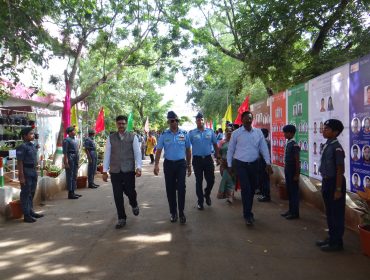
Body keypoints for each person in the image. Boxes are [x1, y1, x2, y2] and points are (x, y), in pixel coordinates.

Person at [227, 111, 272, 226]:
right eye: (246, 118)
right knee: (246, 189)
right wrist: (229, 165)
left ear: (252, 120)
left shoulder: (258, 133)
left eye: (250, 118)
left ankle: (248, 210)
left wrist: (268, 163)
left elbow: (263, 148)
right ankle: (247, 214)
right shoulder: (236, 133)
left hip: (254, 165)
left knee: (252, 190)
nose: (248, 120)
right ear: (242, 120)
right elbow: (230, 149)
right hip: (241, 165)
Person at [102, 115, 142, 229]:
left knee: (130, 191)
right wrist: (105, 171)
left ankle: (133, 203)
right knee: (117, 195)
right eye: (119, 123)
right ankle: (121, 218)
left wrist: (139, 167)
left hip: (128, 170)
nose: (121, 125)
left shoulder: (133, 137)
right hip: (115, 171)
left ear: (126, 124)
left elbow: (137, 153)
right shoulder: (110, 138)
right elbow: (107, 155)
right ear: (116, 124)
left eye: (123, 123)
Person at [154, 111, 192, 224]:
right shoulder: (164, 135)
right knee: (170, 189)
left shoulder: (184, 134)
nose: (173, 122)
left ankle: (181, 213)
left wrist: (189, 165)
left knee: (181, 188)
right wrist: (156, 164)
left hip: (181, 164)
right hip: (169, 164)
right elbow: (159, 150)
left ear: (177, 121)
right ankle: (173, 213)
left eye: (174, 120)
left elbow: (188, 150)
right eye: (170, 121)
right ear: (168, 121)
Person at [316, 119, 346, 252]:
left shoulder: (336, 147)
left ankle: (337, 242)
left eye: (327, 129)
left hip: (335, 182)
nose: (324, 130)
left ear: (335, 132)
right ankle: (332, 237)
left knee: (336, 213)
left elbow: (340, 169)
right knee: (329, 212)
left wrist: (338, 189)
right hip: (327, 181)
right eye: (324, 128)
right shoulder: (328, 144)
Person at [189, 112, 219, 210]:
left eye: (201, 119)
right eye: (198, 119)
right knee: (199, 181)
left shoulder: (210, 132)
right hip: (197, 160)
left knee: (211, 180)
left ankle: (207, 193)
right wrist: (187, 161)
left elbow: (215, 144)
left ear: (204, 120)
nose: (200, 121)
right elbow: (187, 147)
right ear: (196, 121)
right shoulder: (192, 133)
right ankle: (200, 201)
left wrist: (217, 156)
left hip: (208, 159)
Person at [16, 127, 44, 223]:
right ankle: (26, 215)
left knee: (32, 192)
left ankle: (31, 211)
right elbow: (19, 163)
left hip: (33, 171)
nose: (33, 135)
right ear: (24, 136)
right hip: (26, 171)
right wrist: (21, 176)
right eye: (31, 134)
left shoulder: (32, 145)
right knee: (25, 193)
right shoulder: (21, 147)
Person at [281, 125, 301, 220]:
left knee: (294, 192)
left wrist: (297, 174)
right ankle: (290, 210)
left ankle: (295, 212)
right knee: (289, 190)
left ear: (291, 133)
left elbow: (297, 161)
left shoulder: (294, 145)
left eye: (286, 132)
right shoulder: (288, 143)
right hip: (288, 170)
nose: (284, 134)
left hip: (293, 170)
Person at [217, 127, 235, 202]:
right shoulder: (222, 142)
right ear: (225, 132)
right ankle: (228, 195)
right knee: (226, 177)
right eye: (227, 131)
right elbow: (218, 153)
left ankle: (230, 196)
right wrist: (220, 160)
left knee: (232, 178)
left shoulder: (235, 142)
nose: (229, 132)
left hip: (233, 163)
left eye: (230, 131)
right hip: (224, 163)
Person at [63, 126, 81, 200]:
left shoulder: (75, 139)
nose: (75, 131)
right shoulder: (66, 140)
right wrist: (66, 162)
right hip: (70, 157)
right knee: (70, 176)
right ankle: (70, 193)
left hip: (75, 157)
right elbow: (65, 152)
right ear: (70, 132)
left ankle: (73, 191)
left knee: (74, 175)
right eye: (73, 130)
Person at [258, 128, 272, 202]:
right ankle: (263, 194)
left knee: (265, 179)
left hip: (264, 162)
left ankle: (266, 196)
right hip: (262, 162)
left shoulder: (265, 142)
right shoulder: (264, 141)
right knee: (262, 178)